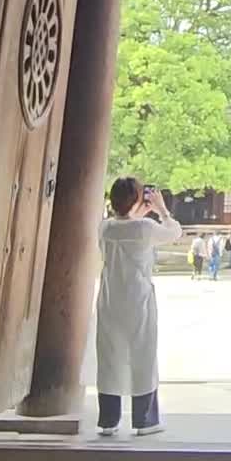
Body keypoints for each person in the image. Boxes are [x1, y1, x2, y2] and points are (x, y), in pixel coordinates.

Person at [96, 177, 181, 436]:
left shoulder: (105, 227)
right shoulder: (145, 228)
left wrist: (135, 213)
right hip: (138, 300)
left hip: (110, 299)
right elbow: (174, 232)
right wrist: (162, 209)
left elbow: (125, 226)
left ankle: (109, 420)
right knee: (142, 356)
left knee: (110, 358)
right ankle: (145, 420)